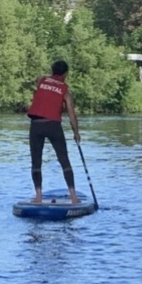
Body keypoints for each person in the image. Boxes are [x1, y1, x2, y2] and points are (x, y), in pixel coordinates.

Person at [26, 60, 82, 204]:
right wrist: (76, 133)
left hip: (36, 124)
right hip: (53, 126)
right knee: (64, 160)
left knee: (36, 162)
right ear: (65, 74)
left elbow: (39, 83)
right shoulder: (65, 90)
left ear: (52, 71)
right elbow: (71, 114)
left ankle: (38, 197)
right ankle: (73, 197)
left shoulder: (42, 80)